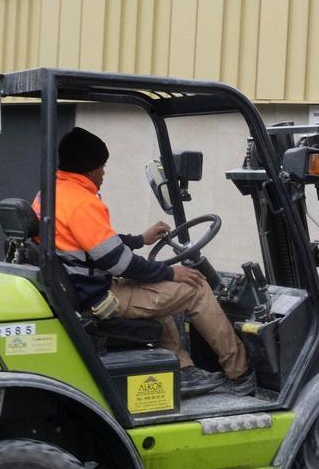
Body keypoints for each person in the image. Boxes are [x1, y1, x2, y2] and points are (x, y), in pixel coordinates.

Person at [42, 126, 252, 397]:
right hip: (100, 297)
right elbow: (119, 263)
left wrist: (140, 239)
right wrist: (168, 271)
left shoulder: (53, 193)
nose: (104, 173)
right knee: (195, 287)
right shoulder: (84, 203)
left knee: (160, 288)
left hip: (84, 288)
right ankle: (241, 374)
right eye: (102, 166)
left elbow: (91, 242)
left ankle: (182, 371)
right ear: (89, 168)